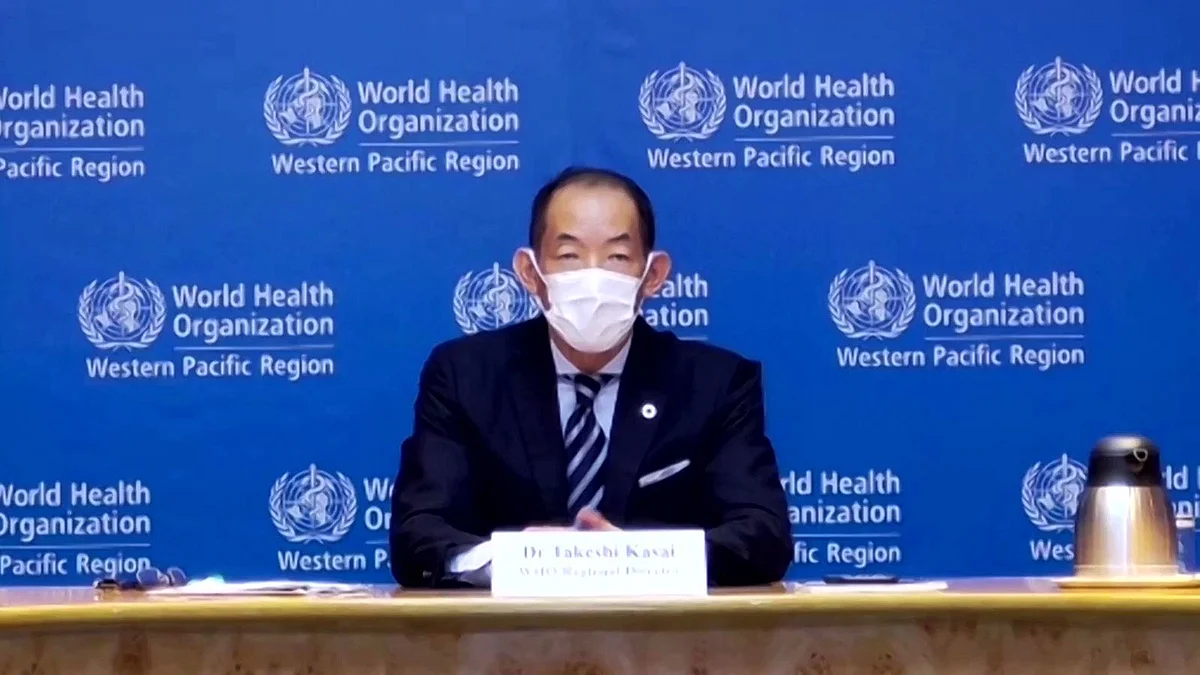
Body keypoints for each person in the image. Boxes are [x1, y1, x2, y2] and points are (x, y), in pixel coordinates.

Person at [389, 167, 791, 588]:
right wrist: (514, 560)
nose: (593, 277)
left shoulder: (716, 383)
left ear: (653, 275)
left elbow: (763, 537)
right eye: (569, 256)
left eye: (617, 257)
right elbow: (417, 536)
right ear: (530, 272)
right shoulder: (465, 376)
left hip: (660, 626)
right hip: (507, 627)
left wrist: (635, 560)